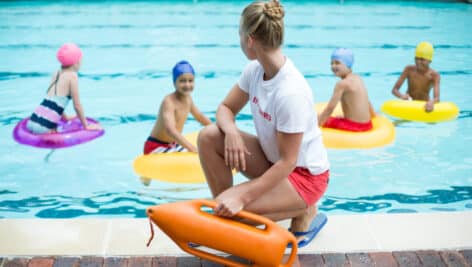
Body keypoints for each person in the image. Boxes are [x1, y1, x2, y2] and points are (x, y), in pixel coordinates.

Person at [197, 0, 329, 261]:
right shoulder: (255, 71)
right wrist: (232, 132)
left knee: (232, 220)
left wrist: (243, 194)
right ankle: (227, 208)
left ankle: (304, 209)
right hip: (274, 162)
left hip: (303, 176)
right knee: (209, 136)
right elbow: (224, 108)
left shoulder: (290, 92)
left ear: (249, 40)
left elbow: (289, 162)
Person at [27, 43, 101, 134]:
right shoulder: (72, 77)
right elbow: (77, 106)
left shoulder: (56, 73)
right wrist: (86, 126)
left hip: (33, 119)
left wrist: (65, 117)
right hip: (46, 127)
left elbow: (55, 100)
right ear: (76, 62)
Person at [143, 60, 212, 155]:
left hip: (172, 145)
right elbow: (170, 130)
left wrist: (215, 129)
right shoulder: (169, 102)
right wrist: (191, 147)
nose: (187, 85)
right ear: (174, 83)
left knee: (205, 154)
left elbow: (199, 117)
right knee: (195, 156)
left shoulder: (188, 99)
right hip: (156, 146)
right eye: (182, 81)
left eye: (190, 81)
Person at [317, 48, 376, 132]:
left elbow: (330, 108)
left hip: (354, 127)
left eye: (337, 63)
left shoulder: (342, 84)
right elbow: (367, 101)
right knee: (338, 117)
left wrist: (318, 125)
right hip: (368, 125)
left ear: (348, 65)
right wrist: (373, 115)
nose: (333, 66)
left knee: (316, 117)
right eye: (331, 63)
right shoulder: (358, 78)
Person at [391, 41, 440, 112]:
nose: (418, 62)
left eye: (422, 59)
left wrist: (431, 103)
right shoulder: (409, 69)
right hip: (409, 104)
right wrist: (401, 96)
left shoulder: (434, 75)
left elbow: (437, 98)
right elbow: (394, 90)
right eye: (416, 58)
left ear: (430, 61)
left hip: (424, 105)